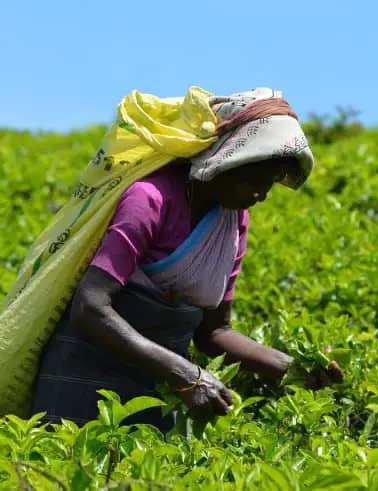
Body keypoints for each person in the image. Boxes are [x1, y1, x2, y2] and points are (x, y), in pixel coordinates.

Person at [27, 88, 344, 431]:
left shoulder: (233, 221)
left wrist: (292, 367)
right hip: (81, 378)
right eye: (253, 180)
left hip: (157, 388)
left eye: (268, 185)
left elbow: (214, 332)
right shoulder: (150, 200)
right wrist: (185, 373)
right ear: (225, 159)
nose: (261, 196)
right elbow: (90, 307)